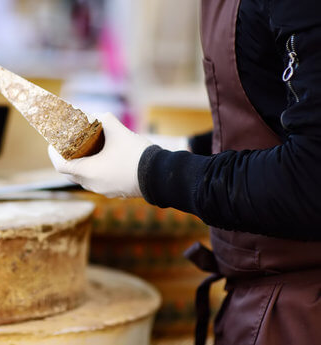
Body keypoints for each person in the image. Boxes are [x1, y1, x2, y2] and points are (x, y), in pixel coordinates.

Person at [48, 1, 321, 344]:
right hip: (257, 305)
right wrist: (188, 147)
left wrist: (151, 171)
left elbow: (312, 180)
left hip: (304, 317)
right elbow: (280, 115)